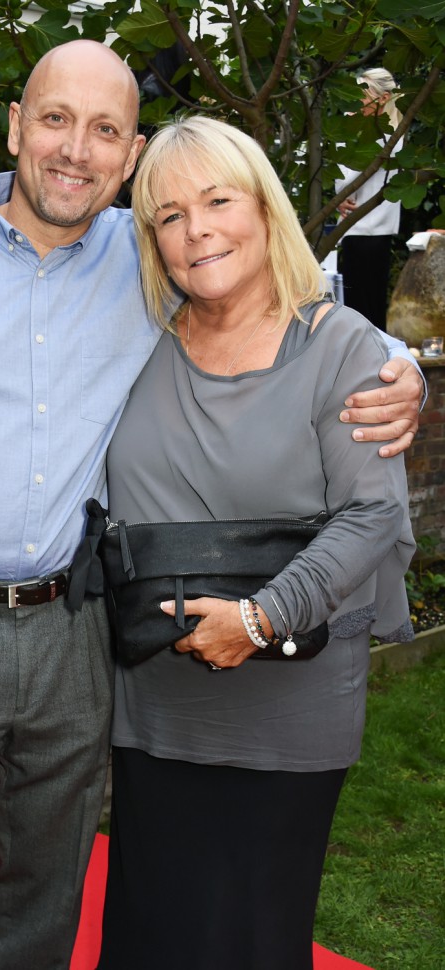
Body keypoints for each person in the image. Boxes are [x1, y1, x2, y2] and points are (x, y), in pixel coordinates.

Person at [0, 41, 422, 970]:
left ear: (127, 158)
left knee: (51, 886)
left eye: (105, 131)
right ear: (15, 126)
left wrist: (404, 378)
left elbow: (285, 311)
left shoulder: (151, 256)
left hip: (74, 626)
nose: (75, 150)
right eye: (55, 119)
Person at [96, 115, 416, 970]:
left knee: (251, 942)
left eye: (216, 200)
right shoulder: (137, 344)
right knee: (149, 934)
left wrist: (262, 618)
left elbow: (372, 515)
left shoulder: (342, 349)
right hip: (156, 706)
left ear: (265, 209)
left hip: (289, 708)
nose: (196, 230)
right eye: (167, 215)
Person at [336, 68, 403, 331]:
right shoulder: (397, 132)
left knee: (360, 312)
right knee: (372, 307)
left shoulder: (375, 132)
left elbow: (345, 181)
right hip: (375, 230)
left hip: (362, 228)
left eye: (362, 95)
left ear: (383, 98)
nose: (357, 102)